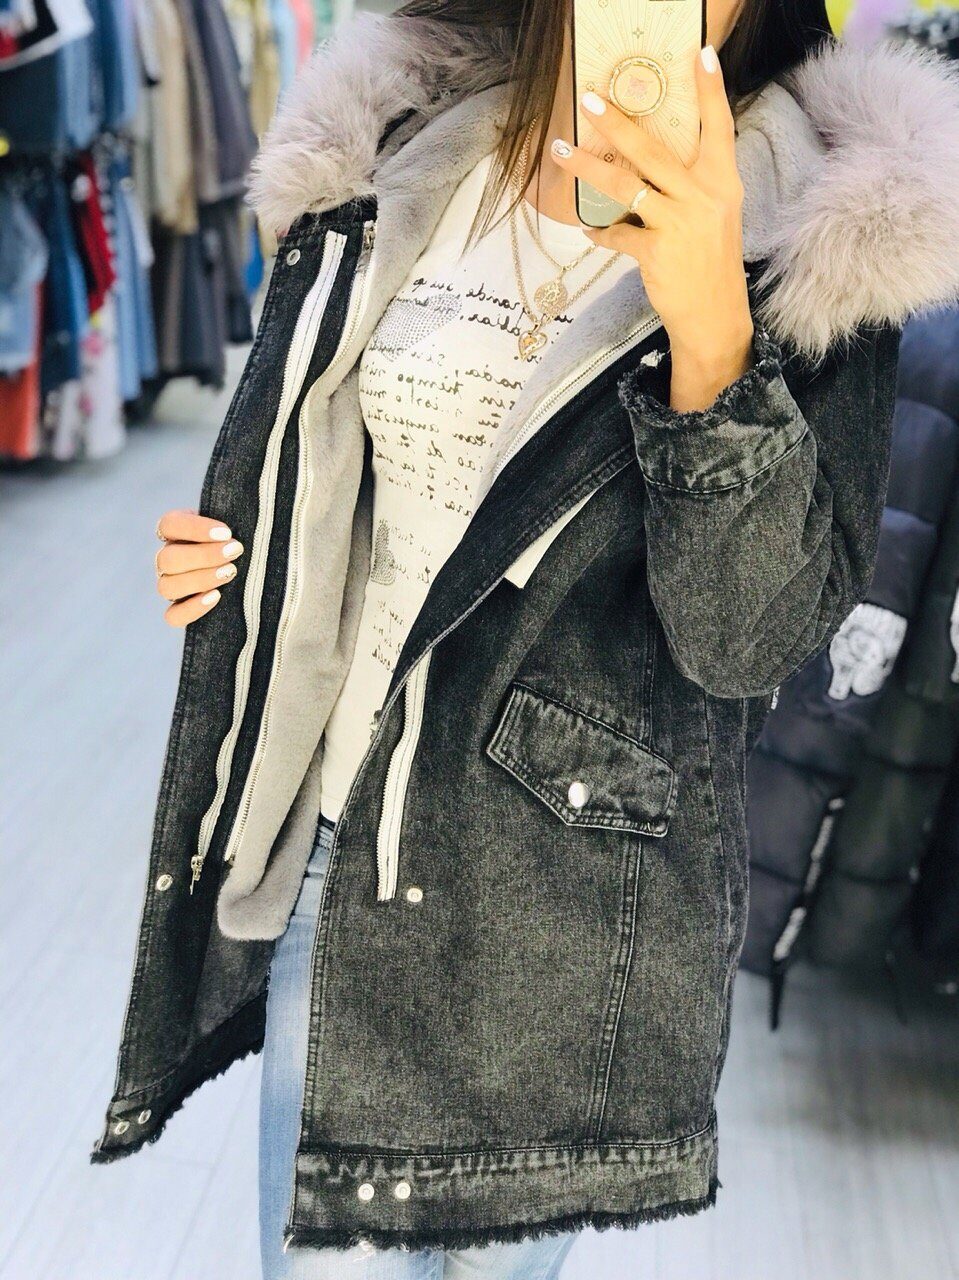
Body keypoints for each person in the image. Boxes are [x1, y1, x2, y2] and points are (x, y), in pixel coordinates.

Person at [90, 2, 959, 1279]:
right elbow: (344, 483)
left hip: (570, 920)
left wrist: (711, 328)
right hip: (354, 851)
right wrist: (243, 562)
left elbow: (746, 641)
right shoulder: (409, 133)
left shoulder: (825, 224)